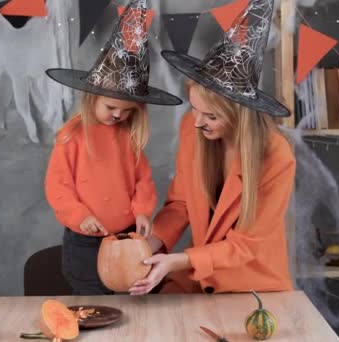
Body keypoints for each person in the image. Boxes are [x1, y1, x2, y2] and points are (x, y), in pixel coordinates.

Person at [128, 0, 296, 295]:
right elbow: (180, 204)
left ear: (238, 115)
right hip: (199, 280)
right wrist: (150, 245)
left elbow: (246, 244)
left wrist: (177, 261)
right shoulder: (192, 133)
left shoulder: (277, 156)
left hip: (254, 288)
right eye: (194, 109)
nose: (197, 123)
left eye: (211, 116)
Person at [44, 0, 182, 295]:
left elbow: (142, 182)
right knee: (95, 303)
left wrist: (143, 212)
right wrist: (80, 215)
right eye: (111, 107)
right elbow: (58, 187)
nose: (119, 115)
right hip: (85, 244)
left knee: (133, 298)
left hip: (127, 238)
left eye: (128, 111)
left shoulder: (128, 139)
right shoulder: (72, 137)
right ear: (91, 97)